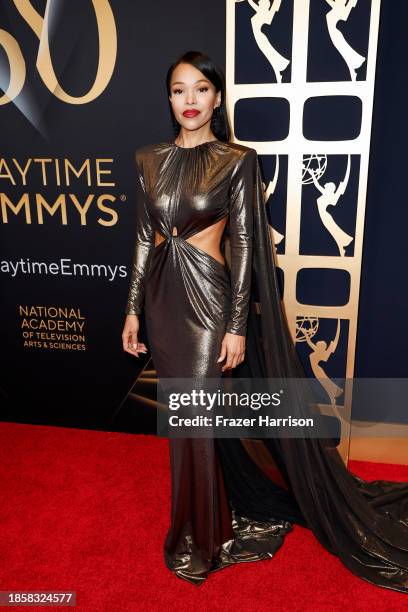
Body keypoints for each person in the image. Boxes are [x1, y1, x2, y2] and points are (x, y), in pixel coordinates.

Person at [122, 50, 408, 591]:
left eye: (201, 89)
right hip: (162, 301)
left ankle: (200, 535)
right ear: (169, 97)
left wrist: (235, 325)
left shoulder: (236, 159)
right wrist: (132, 309)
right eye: (180, 90)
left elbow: (249, 245)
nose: (190, 100)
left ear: (217, 97)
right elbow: (143, 239)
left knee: (197, 420)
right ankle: (197, 526)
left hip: (209, 299)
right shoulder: (146, 159)